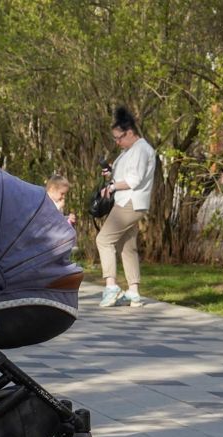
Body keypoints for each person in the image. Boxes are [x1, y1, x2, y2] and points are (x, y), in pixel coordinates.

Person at [96, 106, 157, 308]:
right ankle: (133, 291)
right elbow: (125, 174)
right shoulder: (130, 150)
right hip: (129, 201)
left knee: (103, 240)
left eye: (119, 137)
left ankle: (111, 286)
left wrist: (112, 186)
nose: (117, 142)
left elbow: (134, 179)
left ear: (130, 132)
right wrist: (111, 172)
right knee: (127, 246)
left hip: (130, 202)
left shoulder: (141, 149)